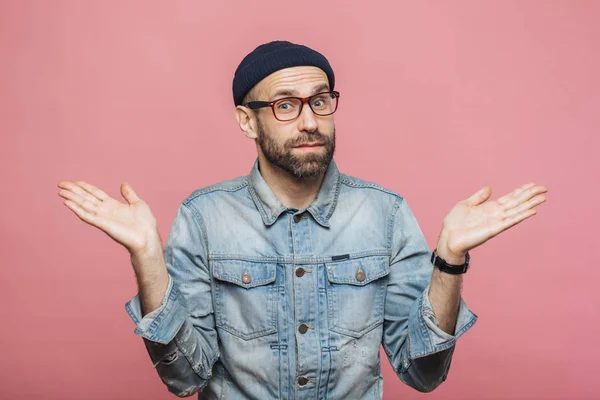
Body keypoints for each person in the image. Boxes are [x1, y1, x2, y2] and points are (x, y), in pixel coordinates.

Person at [57, 41, 548, 399]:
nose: (310, 120)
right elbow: (186, 376)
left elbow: (423, 373)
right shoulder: (203, 217)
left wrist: (450, 260)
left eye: (319, 101)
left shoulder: (386, 213)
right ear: (248, 121)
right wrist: (146, 257)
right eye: (285, 106)